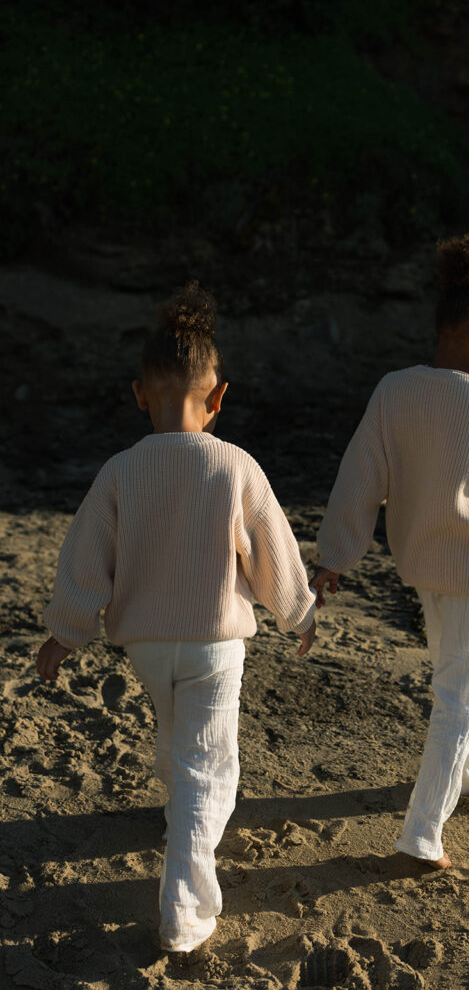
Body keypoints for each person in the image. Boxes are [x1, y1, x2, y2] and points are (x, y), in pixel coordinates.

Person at [36, 281, 316, 953]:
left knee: (175, 735)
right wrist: (298, 613)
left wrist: (64, 634)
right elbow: (271, 552)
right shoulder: (234, 465)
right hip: (215, 643)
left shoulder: (120, 471)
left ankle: (177, 813)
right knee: (207, 765)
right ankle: (185, 913)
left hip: (145, 644)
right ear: (218, 398)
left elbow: (85, 560)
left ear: (140, 394)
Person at [310, 231, 469, 870]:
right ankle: (422, 835)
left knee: (456, 674)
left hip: (422, 567)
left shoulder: (394, 392)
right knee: (460, 692)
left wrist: (335, 554)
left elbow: (359, 478)